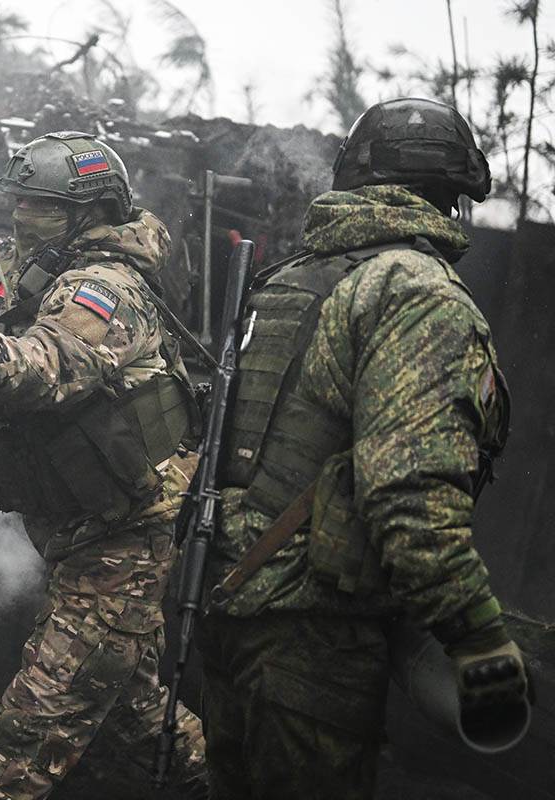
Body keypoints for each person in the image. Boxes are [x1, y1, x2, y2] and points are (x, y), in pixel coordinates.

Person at [197, 97, 530, 799]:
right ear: (452, 196)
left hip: (229, 617)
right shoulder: (417, 292)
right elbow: (409, 497)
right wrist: (477, 638)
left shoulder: (289, 280)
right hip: (315, 641)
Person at [0, 131, 207, 799]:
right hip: (71, 527)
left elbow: (49, 368)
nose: (22, 212)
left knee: (28, 736)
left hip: (123, 537)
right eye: (21, 199)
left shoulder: (109, 288)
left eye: (42, 204)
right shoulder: (19, 260)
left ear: (88, 213)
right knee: (138, 717)